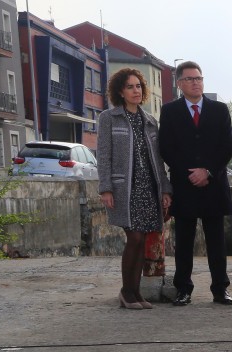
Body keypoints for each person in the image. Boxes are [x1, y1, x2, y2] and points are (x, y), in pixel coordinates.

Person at [159, 61, 232, 306]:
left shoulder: (219, 110)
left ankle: (220, 289)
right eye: (190, 79)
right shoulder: (170, 111)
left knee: (216, 242)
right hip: (185, 185)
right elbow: (166, 148)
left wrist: (208, 172)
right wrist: (190, 173)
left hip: (213, 185)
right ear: (180, 83)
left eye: (199, 78)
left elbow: (226, 147)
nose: (196, 83)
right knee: (184, 242)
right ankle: (183, 289)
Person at [97, 68, 171, 310]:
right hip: (125, 188)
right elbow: (103, 155)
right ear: (120, 91)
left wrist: (165, 189)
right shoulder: (109, 118)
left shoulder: (149, 120)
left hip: (148, 187)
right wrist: (106, 188)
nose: (135, 90)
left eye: (138, 86)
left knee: (143, 239)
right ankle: (126, 291)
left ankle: (136, 292)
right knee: (135, 237)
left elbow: (158, 159)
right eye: (130, 87)